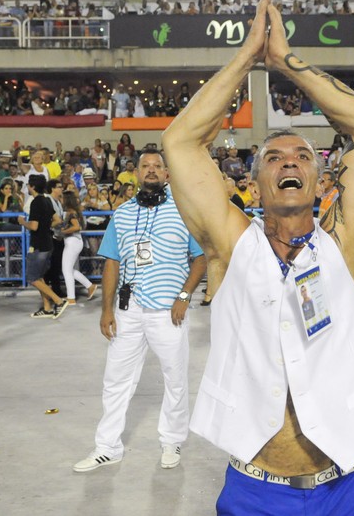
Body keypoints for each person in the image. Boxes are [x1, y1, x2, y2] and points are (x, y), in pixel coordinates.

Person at [163, 0, 354, 513]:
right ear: (254, 182)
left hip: (347, 484)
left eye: (303, 155)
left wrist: (285, 61)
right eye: (273, 157)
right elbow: (180, 142)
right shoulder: (230, 247)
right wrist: (248, 56)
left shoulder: (348, 247)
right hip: (255, 489)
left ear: (321, 179)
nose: (289, 161)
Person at [73, 151, 206, 473]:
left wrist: (184, 296)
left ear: (167, 174)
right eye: (145, 166)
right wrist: (106, 310)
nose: (151, 170)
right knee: (115, 379)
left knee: (175, 379)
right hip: (128, 310)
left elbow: (201, 258)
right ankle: (107, 447)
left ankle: (171, 441)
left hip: (168, 312)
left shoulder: (184, 211)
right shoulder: (122, 213)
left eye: (157, 166)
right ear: (136, 173)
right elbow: (112, 262)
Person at [17, 175, 67, 318]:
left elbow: (34, 226)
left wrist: (22, 222)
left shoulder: (36, 202)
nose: (27, 187)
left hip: (39, 245)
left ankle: (58, 301)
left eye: (28, 185)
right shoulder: (46, 200)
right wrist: (46, 226)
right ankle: (47, 308)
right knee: (39, 277)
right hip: (48, 243)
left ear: (32, 186)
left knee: (32, 278)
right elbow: (57, 219)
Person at [59, 190, 97, 302]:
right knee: (70, 270)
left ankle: (71, 298)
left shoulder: (70, 212)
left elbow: (76, 227)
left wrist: (63, 232)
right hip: (75, 242)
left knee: (66, 270)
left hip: (72, 242)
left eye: (62, 198)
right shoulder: (74, 211)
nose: (60, 199)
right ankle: (90, 286)